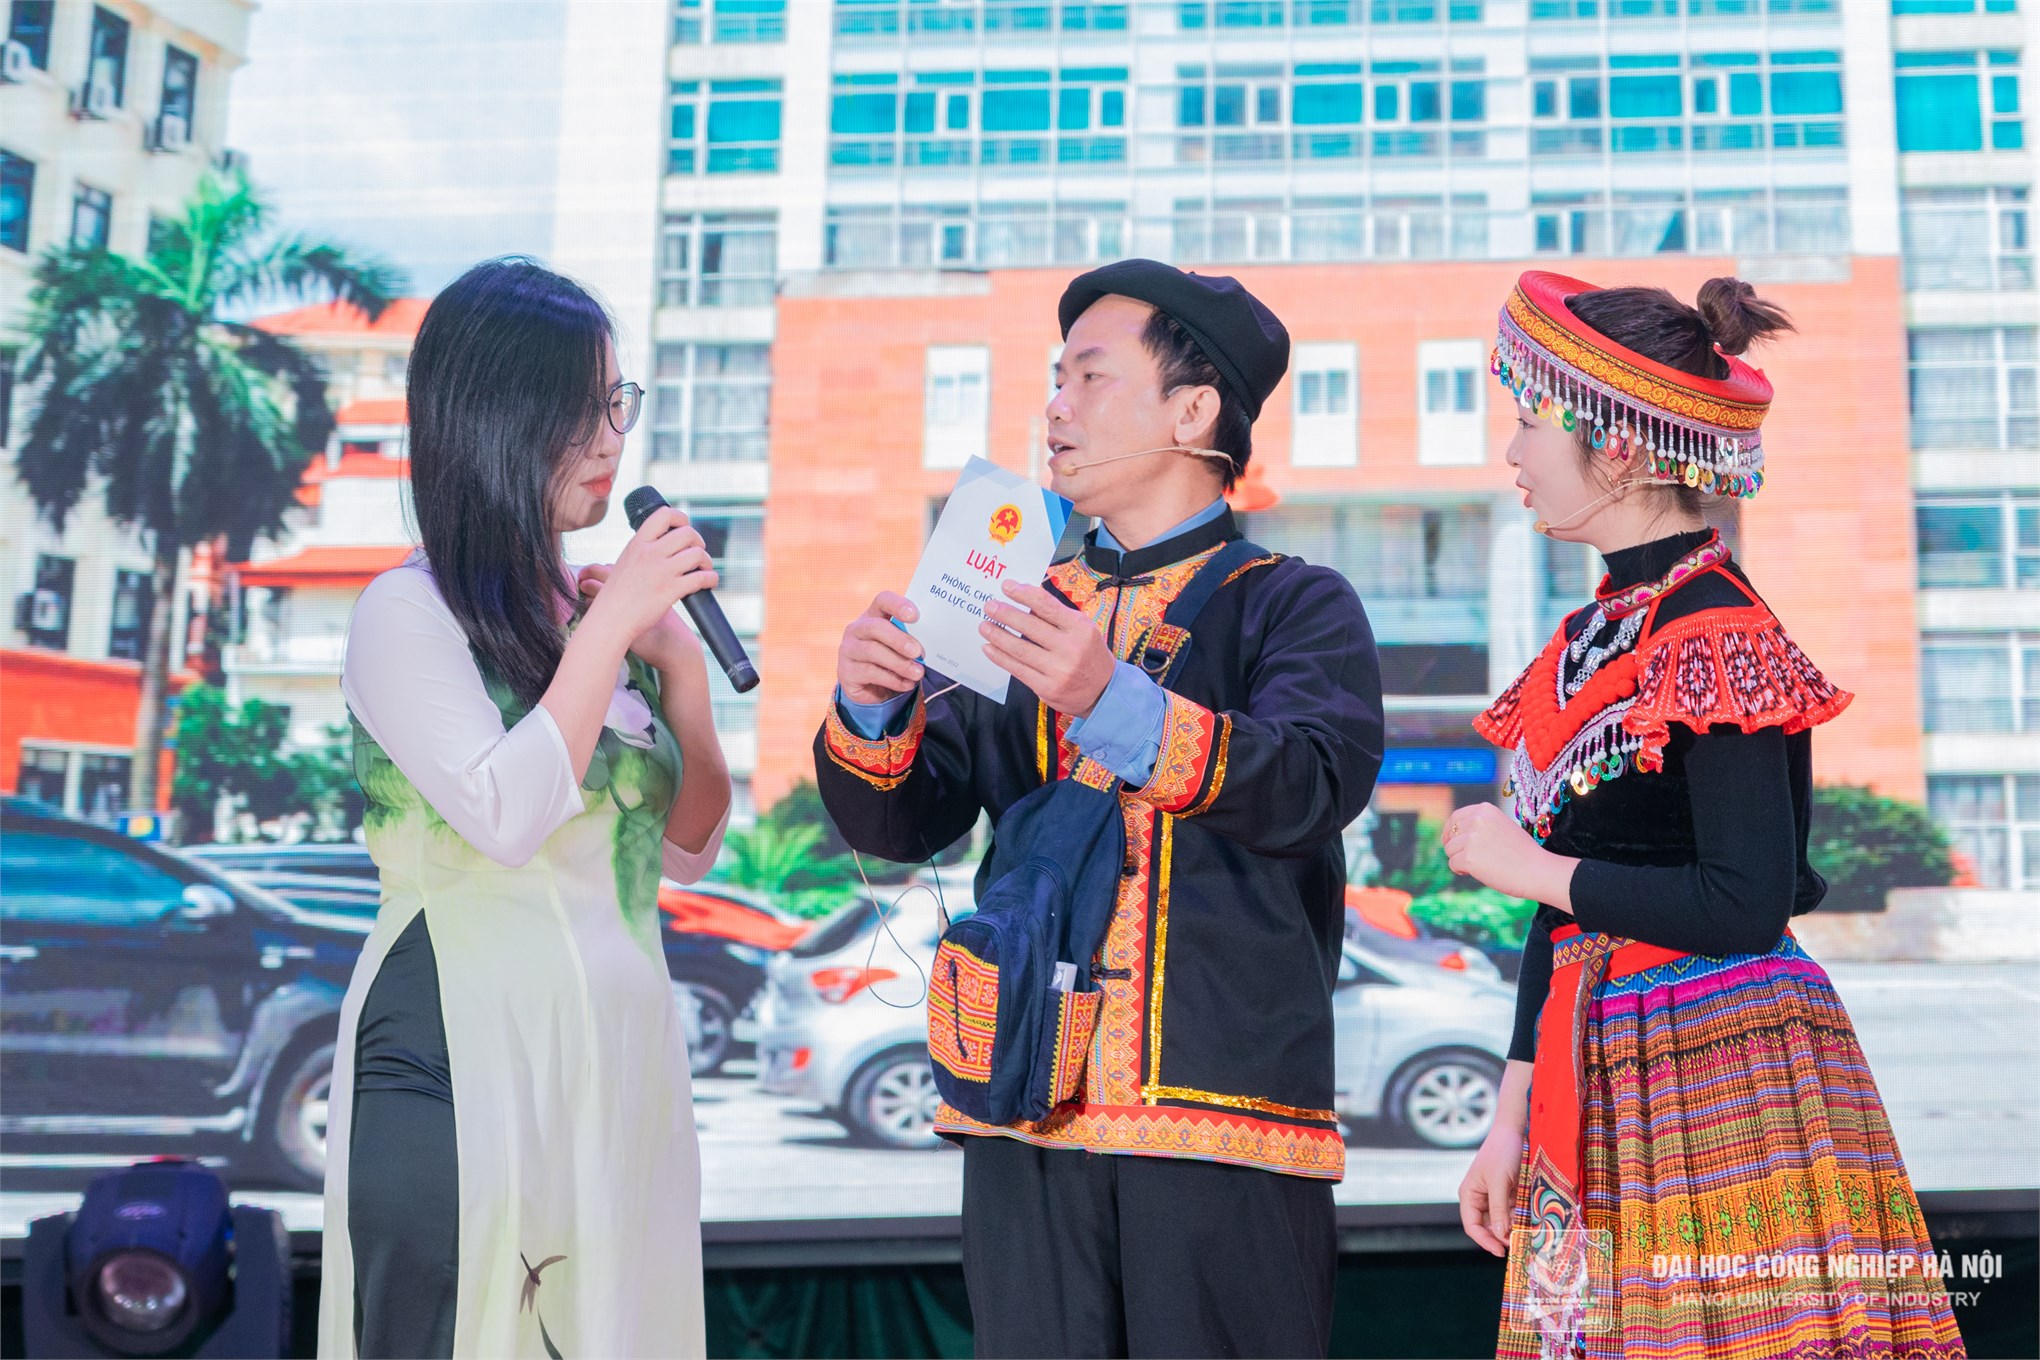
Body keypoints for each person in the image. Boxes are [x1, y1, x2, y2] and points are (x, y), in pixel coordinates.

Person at [815, 259, 1385, 1359]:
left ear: (1193, 410)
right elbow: (901, 826)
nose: (1055, 408)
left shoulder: (1292, 602)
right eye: (1055, 379)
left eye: (1089, 377)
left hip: (1222, 1118)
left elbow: (1313, 784)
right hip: (1023, 1096)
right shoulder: (1016, 603)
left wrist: (1111, 699)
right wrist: (872, 708)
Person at [1449, 270, 1965, 1359]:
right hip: (1594, 1056)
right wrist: (1506, 1119)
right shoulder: (1594, 634)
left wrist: (1527, 867)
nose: (1513, 452)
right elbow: (1564, 920)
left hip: (1721, 1063)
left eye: (1531, 422)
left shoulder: (1716, 629)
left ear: (1617, 447)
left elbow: (1744, 901)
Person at [317, 258, 732, 1359]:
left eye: (616, 400)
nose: (611, 436)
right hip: (459, 1047)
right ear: (495, 418)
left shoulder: (594, 616)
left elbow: (688, 847)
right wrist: (611, 631)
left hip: (615, 1061)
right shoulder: (407, 610)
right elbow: (503, 819)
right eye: (581, 407)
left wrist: (681, 673)